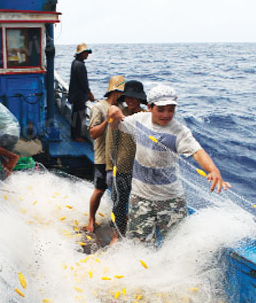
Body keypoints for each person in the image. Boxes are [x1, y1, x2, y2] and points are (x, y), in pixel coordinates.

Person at [108, 84, 231, 245]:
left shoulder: (179, 131)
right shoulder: (139, 120)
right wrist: (112, 111)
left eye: (171, 109)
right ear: (150, 107)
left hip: (171, 200)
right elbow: (116, 124)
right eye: (161, 109)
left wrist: (213, 170)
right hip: (140, 198)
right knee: (139, 245)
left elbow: (197, 152)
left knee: (176, 245)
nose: (166, 114)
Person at [105, 80, 146, 243]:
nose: (129, 100)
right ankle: (117, 234)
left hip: (142, 170)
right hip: (122, 167)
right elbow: (110, 142)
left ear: (140, 99)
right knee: (119, 203)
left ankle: (137, 234)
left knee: (141, 204)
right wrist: (109, 168)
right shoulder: (118, 115)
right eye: (127, 97)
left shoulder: (146, 117)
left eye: (133, 97)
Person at [85, 75, 125, 233]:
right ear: (114, 92)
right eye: (121, 93)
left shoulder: (122, 108)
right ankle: (91, 218)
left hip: (119, 158)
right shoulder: (99, 108)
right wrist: (107, 119)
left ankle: (119, 219)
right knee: (100, 190)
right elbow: (93, 133)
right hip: (103, 157)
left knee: (121, 190)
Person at [68, 43, 95, 142]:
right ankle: (76, 136)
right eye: (85, 53)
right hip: (79, 96)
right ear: (80, 54)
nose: (87, 55)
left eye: (87, 53)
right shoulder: (80, 65)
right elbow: (83, 83)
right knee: (79, 116)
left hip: (75, 95)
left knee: (76, 115)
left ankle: (75, 134)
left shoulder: (75, 62)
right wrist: (90, 94)